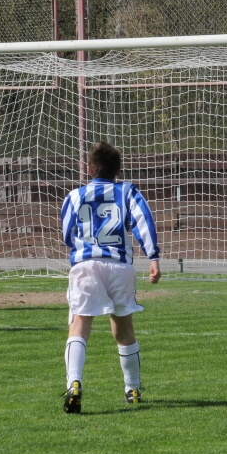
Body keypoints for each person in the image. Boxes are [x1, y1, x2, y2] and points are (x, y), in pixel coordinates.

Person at [60, 142, 161, 413]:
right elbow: (143, 221)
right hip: (119, 267)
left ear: (89, 169)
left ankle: (74, 383)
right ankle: (133, 388)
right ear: (118, 169)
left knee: (79, 327)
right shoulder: (127, 191)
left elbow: (67, 233)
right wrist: (153, 257)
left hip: (86, 265)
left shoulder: (75, 196)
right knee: (124, 330)